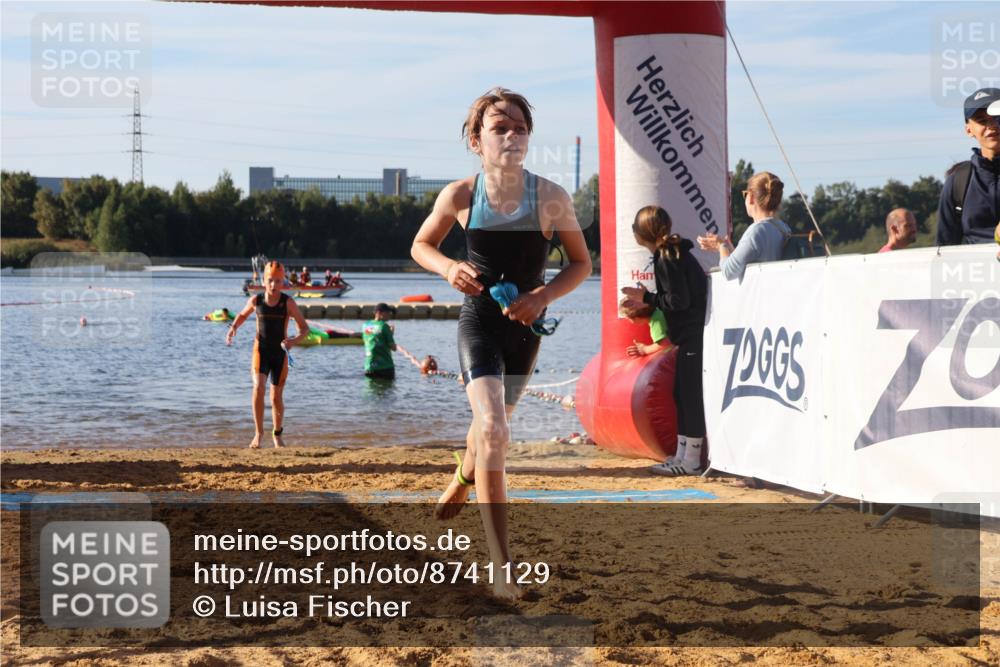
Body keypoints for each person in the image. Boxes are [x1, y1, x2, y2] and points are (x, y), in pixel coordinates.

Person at [411, 87, 591, 599]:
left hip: (525, 331)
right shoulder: (461, 196)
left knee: (493, 432)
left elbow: (581, 264)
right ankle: (502, 565)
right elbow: (421, 245)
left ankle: (464, 474)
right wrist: (448, 266)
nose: (512, 135)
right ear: (476, 140)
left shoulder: (551, 196)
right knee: (492, 427)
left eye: (520, 127)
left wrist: (542, 295)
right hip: (479, 324)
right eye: (500, 127)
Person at [622, 206, 707, 476]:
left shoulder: (667, 257)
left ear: (639, 235)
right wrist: (650, 296)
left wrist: (647, 299)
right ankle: (682, 455)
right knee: (680, 394)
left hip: (694, 335)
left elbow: (679, 301)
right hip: (688, 337)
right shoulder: (671, 254)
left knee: (690, 397)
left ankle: (691, 460)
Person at [227, 261, 309, 449]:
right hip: (261, 350)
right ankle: (258, 433)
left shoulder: (288, 303)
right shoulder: (257, 301)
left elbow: (305, 329)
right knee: (258, 387)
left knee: (275, 397)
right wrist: (233, 328)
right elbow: (242, 315)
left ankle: (277, 434)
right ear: (263, 281)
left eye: (278, 281)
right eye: (270, 281)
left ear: (283, 282)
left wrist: (293, 342)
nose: (274, 285)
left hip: (280, 354)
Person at [697, 171, 791, 281]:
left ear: (750, 197)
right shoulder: (784, 228)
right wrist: (732, 251)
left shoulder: (756, 232)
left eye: (745, 194)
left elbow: (728, 272)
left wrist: (721, 246)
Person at [937, 88, 1000, 246]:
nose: (991, 126)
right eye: (981, 120)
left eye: (997, 117)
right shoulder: (958, 180)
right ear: (969, 130)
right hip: (972, 269)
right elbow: (944, 247)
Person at [362, 303, 397, 380]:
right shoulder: (384, 326)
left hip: (369, 367)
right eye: (387, 312)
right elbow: (393, 348)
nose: (389, 314)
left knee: (370, 391)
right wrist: (391, 333)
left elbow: (375, 337)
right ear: (378, 313)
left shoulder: (365, 325)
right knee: (388, 391)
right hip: (385, 367)